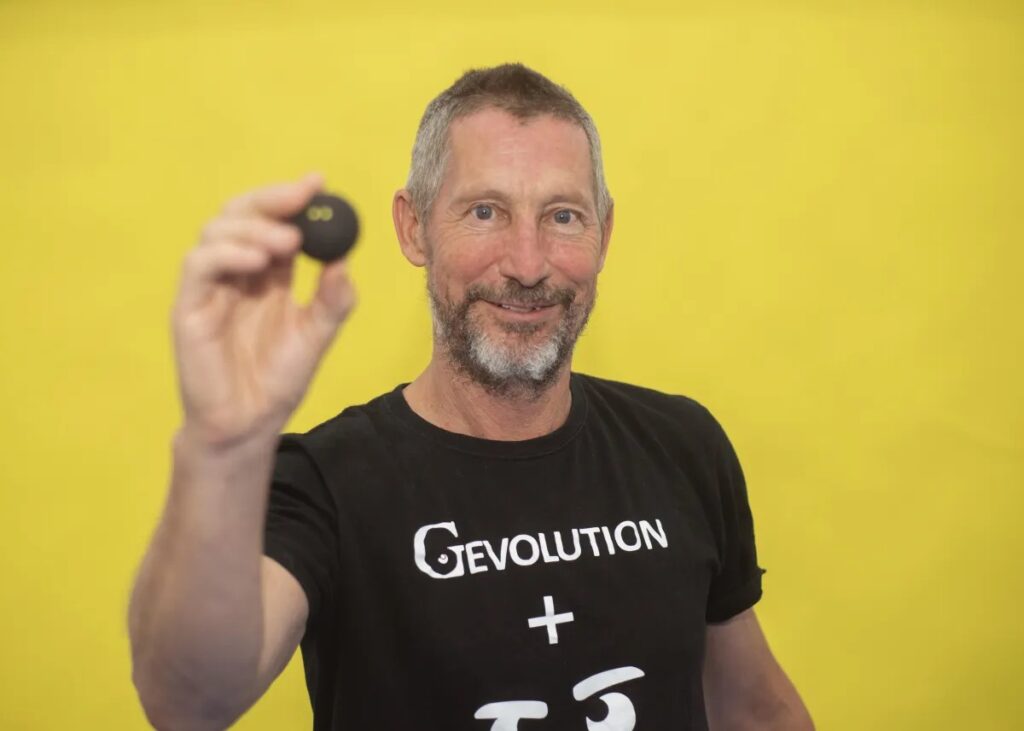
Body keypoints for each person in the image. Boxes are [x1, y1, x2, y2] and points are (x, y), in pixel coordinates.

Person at [128, 63, 814, 730]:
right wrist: (221, 447)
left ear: (604, 233)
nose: (527, 264)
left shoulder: (681, 446)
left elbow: (754, 710)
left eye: (563, 216)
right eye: (485, 212)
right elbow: (188, 704)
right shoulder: (326, 484)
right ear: (414, 227)